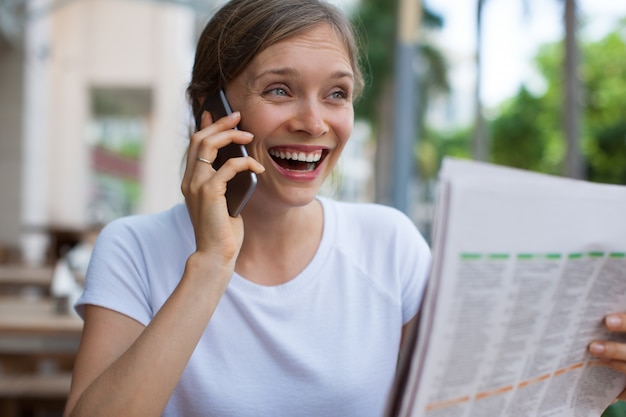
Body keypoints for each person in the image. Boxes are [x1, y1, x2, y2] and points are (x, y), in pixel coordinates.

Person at [63, 1, 432, 416]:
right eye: (279, 89)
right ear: (211, 111)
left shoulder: (390, 244)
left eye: (336, 94)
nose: (313, 123)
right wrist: (211, 263)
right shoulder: (133, 248)